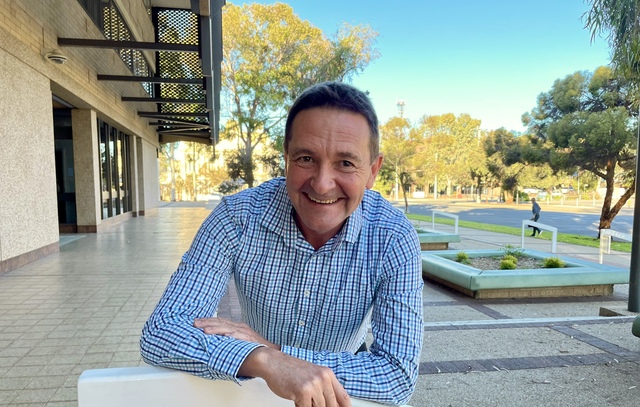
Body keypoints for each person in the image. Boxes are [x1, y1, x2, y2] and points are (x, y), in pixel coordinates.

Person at [140, 81, 424, 407]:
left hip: (342, 385)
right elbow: (162, 332)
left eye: (346, 163)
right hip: (254, 386)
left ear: (372, 171)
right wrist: (262, 359)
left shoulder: (393, 236)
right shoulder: (237, 218)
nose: (322, 183)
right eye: (306, 158)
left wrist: (277, 354)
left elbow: (397, 375)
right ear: (286, 158)